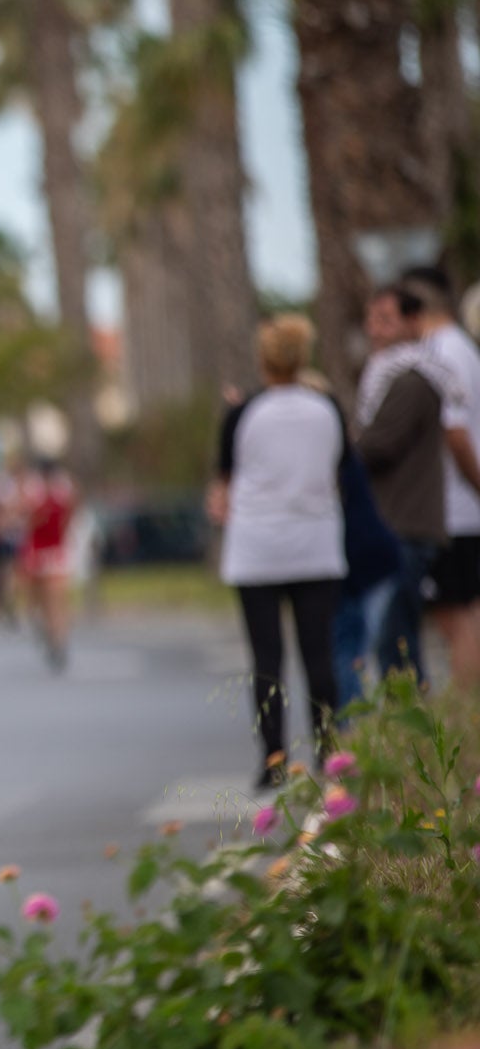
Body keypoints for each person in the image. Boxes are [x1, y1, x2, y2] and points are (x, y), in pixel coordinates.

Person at [211, 315, 345, 790]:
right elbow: (339, 467)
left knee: (266, 657)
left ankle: (273, 757)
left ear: (263, 359)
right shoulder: (326, 408)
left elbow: (222, 484)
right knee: (319, 655)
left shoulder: (243, 412)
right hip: (315, 543)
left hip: (258, 548)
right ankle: (330, 752)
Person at [355, 284, 446, 684]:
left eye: (386, 320)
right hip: (397, 523)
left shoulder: (411, 380)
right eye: (371, 320)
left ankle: (414, 734)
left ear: (413, 322)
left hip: (405, 525)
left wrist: (343, 451)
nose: (375, 330)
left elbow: (378, 446)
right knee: (396, 640)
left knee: (396, 644)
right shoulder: (387, 375)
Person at [399, 266, 480, 689]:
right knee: (462, 612)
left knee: (455, 617)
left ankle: (467, 709)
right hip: (458, 508)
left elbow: (456, 434)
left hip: (453, 509)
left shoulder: (443, 353)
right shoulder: (460, 349)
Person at [16, 460, 78, 673]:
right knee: (38, 597)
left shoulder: (64, 488)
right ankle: (44, 626)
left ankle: (59, 639)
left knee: (56, 596)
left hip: (56, 550)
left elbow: (71, 510)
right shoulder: (33, 489)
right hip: (36, 550)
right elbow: (26, 516)